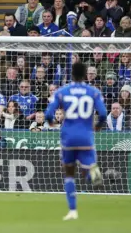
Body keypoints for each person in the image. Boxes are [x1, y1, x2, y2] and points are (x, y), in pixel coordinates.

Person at [45, 62, 107, 221]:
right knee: (87, 171)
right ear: (86, 75)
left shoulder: (62, 91)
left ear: (71, 74)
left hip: (68, 137)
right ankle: (97, 175)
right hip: (86, 137)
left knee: (69, 174)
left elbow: (48, 113)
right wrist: (98, 126)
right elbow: (104, 114)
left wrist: (51, 122)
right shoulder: (93, 92)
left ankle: (72, 210)